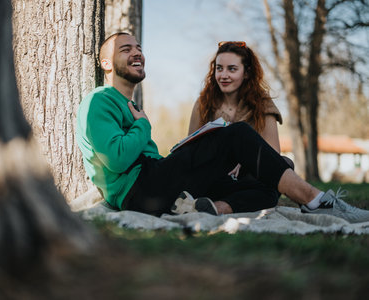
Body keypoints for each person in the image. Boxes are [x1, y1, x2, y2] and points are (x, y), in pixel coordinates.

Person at [75, 32, 369, 224]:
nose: (137, 52)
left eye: (138, 47)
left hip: (160, 186)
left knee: (267, 182)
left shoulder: (128, 105)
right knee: (238, 134)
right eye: (126, 49)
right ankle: (316, 200)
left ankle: (215, 208)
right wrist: (143, 126)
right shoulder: (98, 101)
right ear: (106, 63)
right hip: (139, 191)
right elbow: (116, 158)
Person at [185, 41, 289, 214]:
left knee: (286, 164)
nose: (223, 75)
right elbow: (189, 148)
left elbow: (273, 152)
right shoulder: (203, 103)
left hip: (250, 177)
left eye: (232, 69)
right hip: (214, 176)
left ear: (246, 72)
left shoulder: (262, 103)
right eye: (219, 68)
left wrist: (245, 159)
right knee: (269, 194)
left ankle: (222, 207)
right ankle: (230, 203)